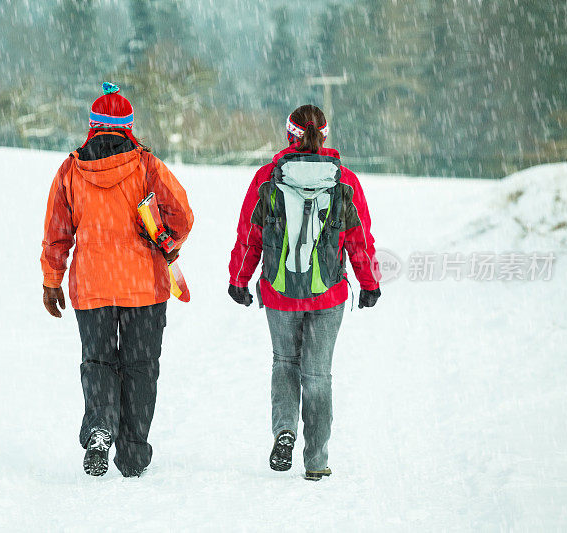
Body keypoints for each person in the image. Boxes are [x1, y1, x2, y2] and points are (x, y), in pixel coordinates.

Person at [41, 83, 194, 478]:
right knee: (141, 366)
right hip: (143, 287)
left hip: (92, 288)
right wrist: (162, 239)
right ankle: (132, 454)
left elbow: (58, 232)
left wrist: (51, 279)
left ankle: (99, 429)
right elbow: (182, 216)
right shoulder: (147, 166)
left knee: (99, 363)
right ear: (128, 126)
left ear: (93, 127)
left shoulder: (71, 169)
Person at [227, 104, 381, 481]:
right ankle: (316, 461)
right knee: (318, 375)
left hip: (279, 291)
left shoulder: (268, 177)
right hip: (327, 294)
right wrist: (369, 282)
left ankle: (284, 431)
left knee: (284, 362)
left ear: (288, 135)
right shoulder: (345, 181)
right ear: (324, 136)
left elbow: (250, 234)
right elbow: (359, 239)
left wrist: (239, 279)